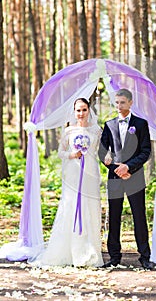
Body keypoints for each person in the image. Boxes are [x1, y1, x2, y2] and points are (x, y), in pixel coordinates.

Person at [32, 98, 103, 267]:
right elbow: (60, 152)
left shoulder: (96, 130)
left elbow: (101, 150)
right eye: (78, 110)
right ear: (74, 112)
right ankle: (71, 251)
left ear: (88, 111)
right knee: (71, 205)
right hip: (73, 170)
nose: (81, 114)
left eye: (84, 110)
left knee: (90, 205)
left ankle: (90, 250)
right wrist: (72, 155)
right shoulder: (69, 131)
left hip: (90, 171)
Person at [98, 88, 153, 270]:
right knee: (114, 216)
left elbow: (145, 151)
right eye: (117, 102)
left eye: (122, 102)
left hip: (135, 177)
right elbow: (102, 151)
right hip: (114, 177)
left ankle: (145, 256)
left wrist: (128, 167)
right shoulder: (109, 124)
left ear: (130, 103)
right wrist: (115, 167)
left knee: (139, 216)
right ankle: (114, 257)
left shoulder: (141, 124)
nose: (119, 106)